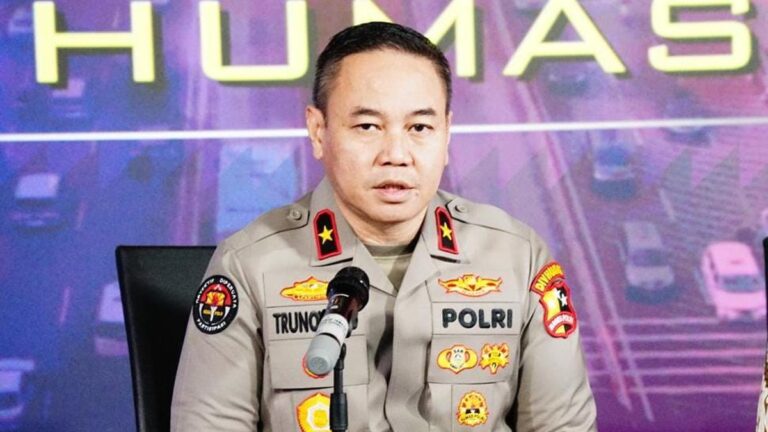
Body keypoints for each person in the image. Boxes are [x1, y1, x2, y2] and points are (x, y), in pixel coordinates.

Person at [171, 21, 597, 431]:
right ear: (318, 131)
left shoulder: (518, 258)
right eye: (368, 126)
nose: (396, 154)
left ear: (447, 133)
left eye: (420, 127)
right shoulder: (250, 266)